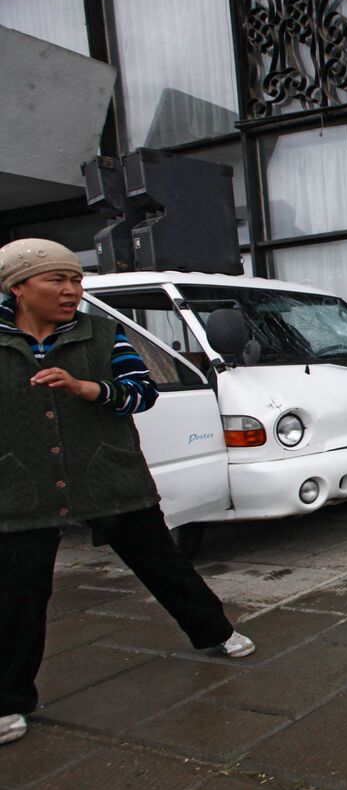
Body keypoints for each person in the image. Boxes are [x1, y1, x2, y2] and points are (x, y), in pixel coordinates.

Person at [0, 238, 255, 747]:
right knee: (19, 595)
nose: (72, 290)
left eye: (76, 279)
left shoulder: (103, 332)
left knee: (163, 564)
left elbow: (142, 392)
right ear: (18, 286)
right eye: (57, 280)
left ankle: (215, 632)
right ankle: (9, 702)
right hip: (21, 486)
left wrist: (88, 389)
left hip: (108, 474)